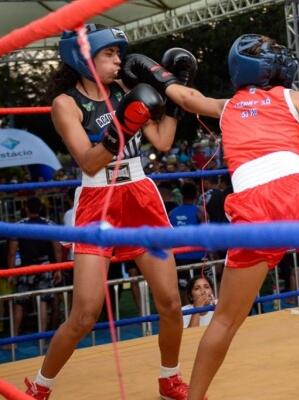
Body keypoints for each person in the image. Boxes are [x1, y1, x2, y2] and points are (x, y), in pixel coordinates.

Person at [127, 34, 299, 399]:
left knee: (226, 320)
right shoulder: (292, 97)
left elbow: (185, 97)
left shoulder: (227, 106)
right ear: (263, 67)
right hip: (298, 195)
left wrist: (154, 71)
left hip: (251, 206)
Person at [23, 25, 194, 400]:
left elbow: (162, 141)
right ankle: (40, 384)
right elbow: (86, 161)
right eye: (109, 55)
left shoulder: (122, 91)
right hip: (98, 198)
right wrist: (125, 124)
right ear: (84, 60)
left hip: (140, 195)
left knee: (169, 301)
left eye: (119, 54)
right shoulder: (65, 105)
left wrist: (174, 99)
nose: (119, 61)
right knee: (85, 313)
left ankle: (170, 378)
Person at [7, 197, 62, 337]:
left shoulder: (18, 226)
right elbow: (57, 249)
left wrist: (11, 273)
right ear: (40, 208)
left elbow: (12, 253)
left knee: (19, 302)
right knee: (42, 302)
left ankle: (13, 340)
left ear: (26, 208)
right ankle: (42, 339)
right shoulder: (49, 224)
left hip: (26, 268)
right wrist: (58, 269)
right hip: (44, 267)